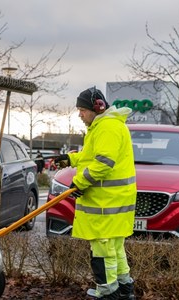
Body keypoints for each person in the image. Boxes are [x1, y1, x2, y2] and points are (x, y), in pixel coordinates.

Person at [55, 87, 137, 300]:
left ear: (97, 107)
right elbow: (93, 156)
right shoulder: (104, 126)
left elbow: (103, 163)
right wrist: (71, 159)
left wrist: (79, 182)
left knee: (103, 247)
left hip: (106, 202)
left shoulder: (107, 128)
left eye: (82, 110)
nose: (80, 114)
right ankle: (124, 288)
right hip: (111, 200)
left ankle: (108, 292)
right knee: (115, 246)